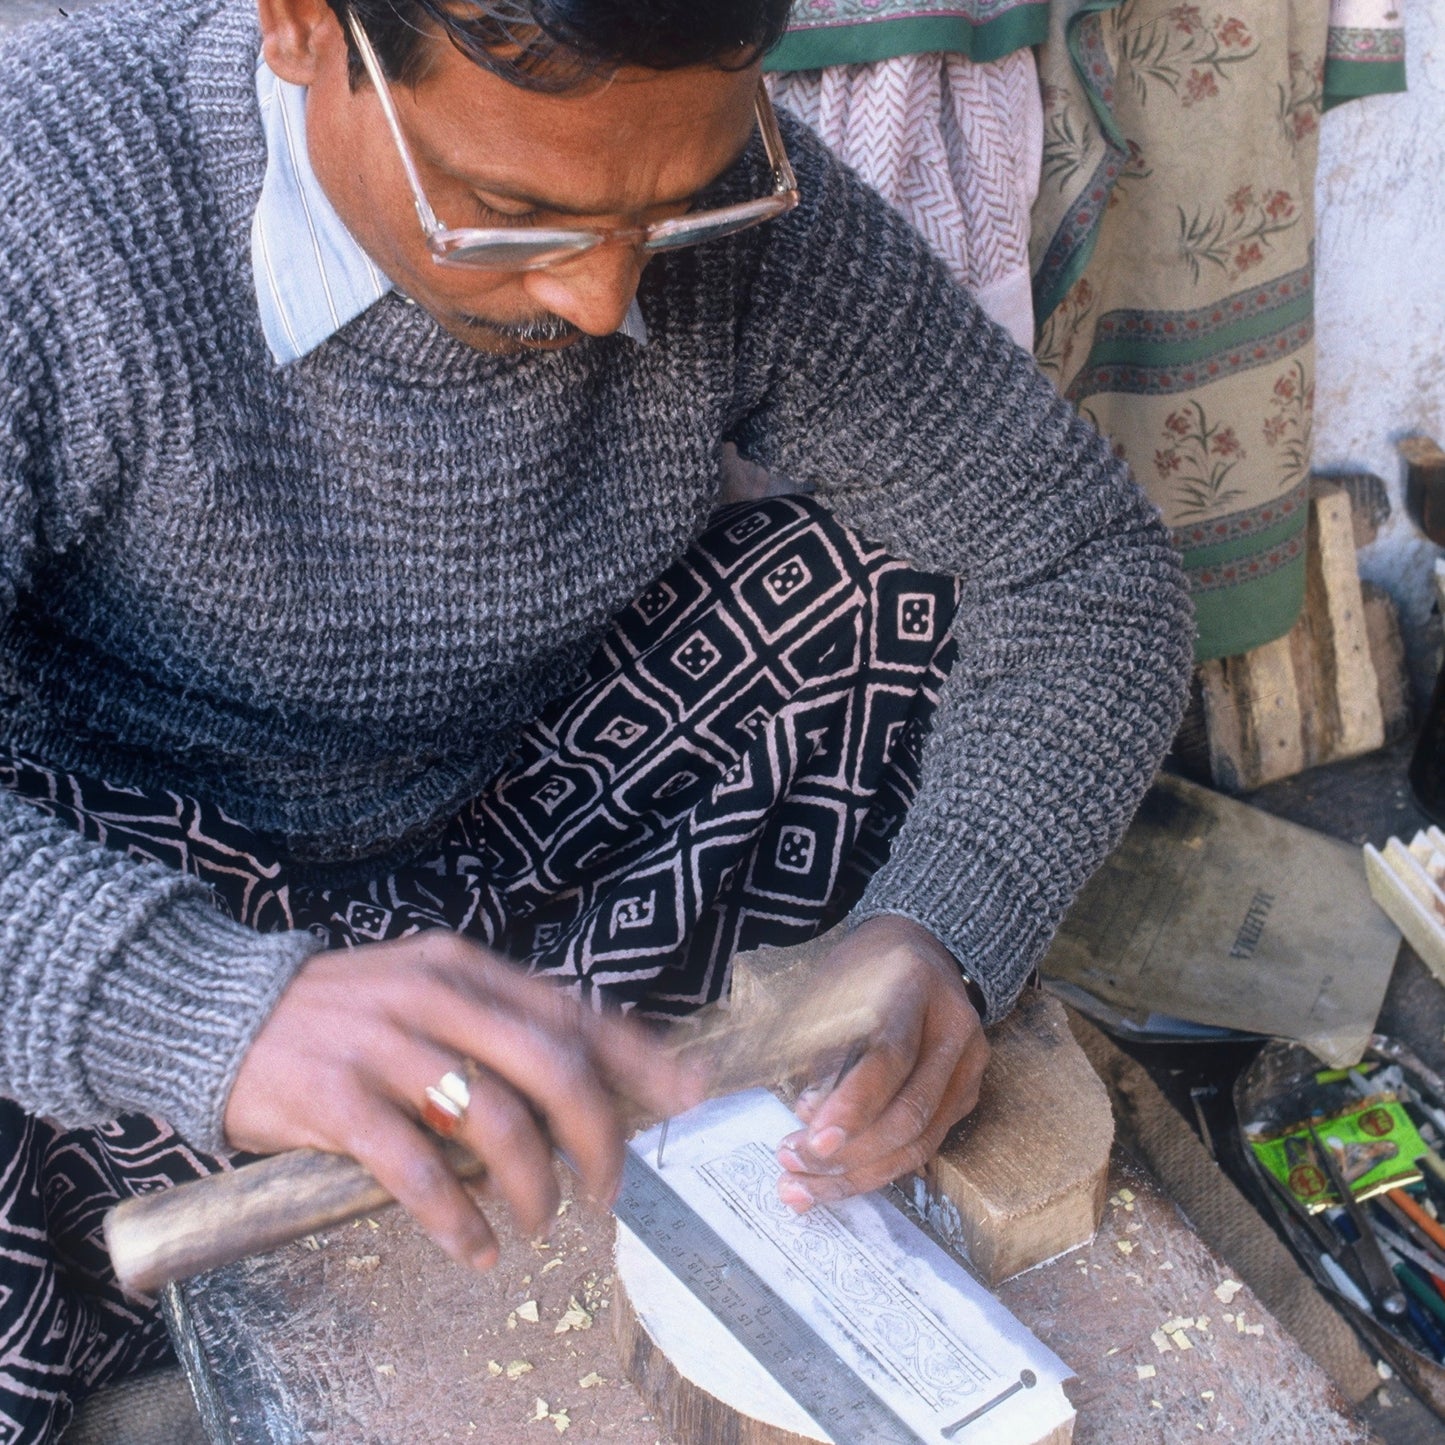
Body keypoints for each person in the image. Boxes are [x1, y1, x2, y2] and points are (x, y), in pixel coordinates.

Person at [0, 0, 1193, 1435]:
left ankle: (596, 1114)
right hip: (126, 855)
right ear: (306, 30)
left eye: (671, 210)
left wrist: (943, 921)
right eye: (509, 213)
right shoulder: (49, 185)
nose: (599, 294)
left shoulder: (740, 205)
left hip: (506, 830)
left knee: (881, 592)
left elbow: (1085, 572)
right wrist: (200, 1007)